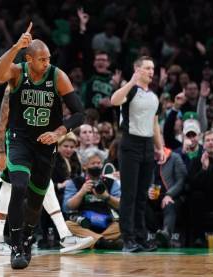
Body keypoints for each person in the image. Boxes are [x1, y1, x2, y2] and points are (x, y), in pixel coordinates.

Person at [0, 22, 84, 269]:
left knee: (35, 198)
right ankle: (15, 244)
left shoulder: (57, 76)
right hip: (20, 140)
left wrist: (59, 132)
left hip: (46, 145)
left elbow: (79, 113)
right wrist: (15, 47)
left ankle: (28, 237)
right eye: (41, 59)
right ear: (29, 58)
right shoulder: (18, 72)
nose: (46, 62)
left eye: (48, 58)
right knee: (18, 186)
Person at [0, 86, 92, 254]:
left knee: (46, 185)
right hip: (15, 142)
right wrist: (1, 151)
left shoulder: (49, 83)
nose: (45, 62)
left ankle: (65, 236)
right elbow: (2, 119)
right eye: (41, 58)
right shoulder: (16, 82)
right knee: (9, 186)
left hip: (34, 145)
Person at [111, 56, 165, 252]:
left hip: (148, 145)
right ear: (137, 69)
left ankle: (141, 237)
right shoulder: (131, 90)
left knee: (142, 196)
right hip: (130, 143)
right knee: (129, 195)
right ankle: (128, 239)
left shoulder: (153, 95)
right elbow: (114, 100)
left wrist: (160, 147)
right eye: (147, 68)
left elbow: (155, 124)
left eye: (153, 68)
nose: (152, 71)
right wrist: (131, 82)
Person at [63, 148, 122, 249]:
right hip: (84, 224)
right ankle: (104, 242)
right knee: (67, 225)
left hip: (106, 224)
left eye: (99, 163)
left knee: (124, 223)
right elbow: (67, 207)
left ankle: (95, 241)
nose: (96, 166)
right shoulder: (75, 182)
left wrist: (107, 197)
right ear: (85, 166)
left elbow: (122, 206)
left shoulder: (111, 182)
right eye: (93, 163)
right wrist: (81, 192)